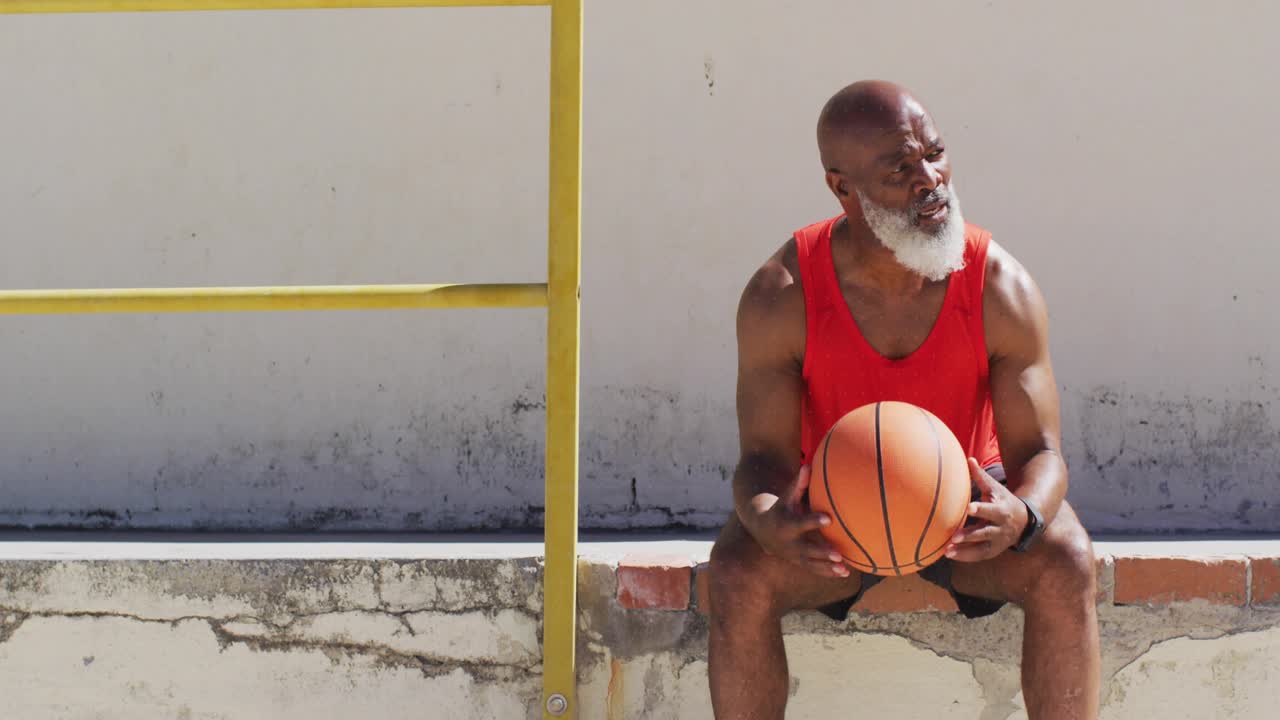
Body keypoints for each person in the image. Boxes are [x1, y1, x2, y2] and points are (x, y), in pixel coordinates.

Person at [706, 80, 1100, 720]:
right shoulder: (783, 293)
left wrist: (1023, 516)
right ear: (842, 188)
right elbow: (762, 459)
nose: (930, 180)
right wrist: (769, 520)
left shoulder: (999, 284)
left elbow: (1045, 453)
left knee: (1066, 557)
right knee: (735, 571)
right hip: (833, 509)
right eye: (900, 170)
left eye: (935, 154)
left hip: (965, 505)